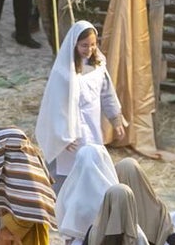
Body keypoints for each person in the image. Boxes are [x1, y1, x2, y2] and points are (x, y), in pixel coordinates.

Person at [35, 20, 126, 186]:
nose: (89, 50)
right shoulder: (63, 73)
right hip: (71, 132)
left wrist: (115, 119)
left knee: (93, 168)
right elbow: (55, 106)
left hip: (92, 127)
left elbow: (106, 93)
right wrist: (63, 136)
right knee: (65, 174)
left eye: (93, 45)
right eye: (84, 45)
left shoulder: (98, 66)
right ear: (75, 44)